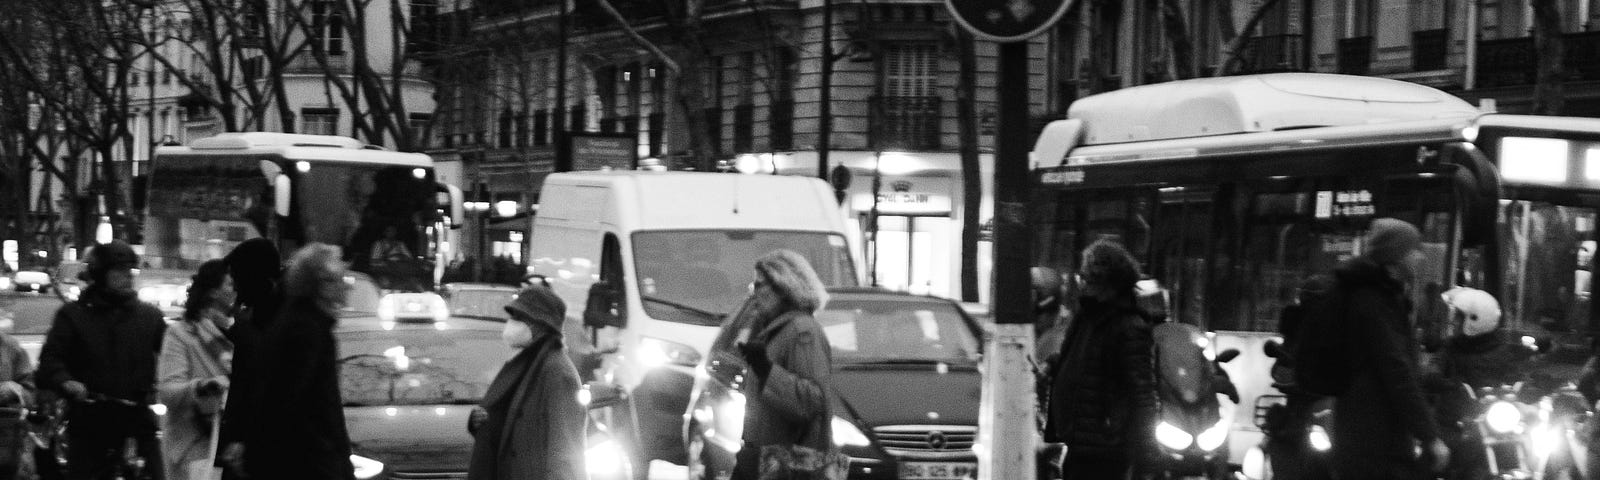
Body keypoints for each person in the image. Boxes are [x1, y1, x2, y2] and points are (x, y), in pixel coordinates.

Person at [1327, 218, 1448, 479]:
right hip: (1373, 442)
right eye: (1414, 250)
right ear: (1396, 256)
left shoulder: (1383, 297)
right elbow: (1397, 371)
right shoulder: (1373, 302)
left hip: (1369, 437)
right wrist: (1429, 436)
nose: (1420, 257)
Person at [37, 241, 168, 480]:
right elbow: (50, 360)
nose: (126, 277)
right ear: (100, 274)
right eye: (118, 271)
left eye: (130, 271)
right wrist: (66, 382)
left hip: (138, 418)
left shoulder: (150, 316)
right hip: (90, 419)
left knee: (158, 472)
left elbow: (171, 354)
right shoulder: (73, 316)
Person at [1043, 239, 1158, 480]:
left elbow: (1143, 394)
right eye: (1081, 278)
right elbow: (1077, 360)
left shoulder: (1129, 326)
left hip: (1106, 448)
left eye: (1087, 279)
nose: (1082, 285)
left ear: (1107, 284)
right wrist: (1052, 365)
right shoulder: (1086, 317)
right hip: (1079, 440)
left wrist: (1147, 454)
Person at [243, 244, 354, 480]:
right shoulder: (306, 330)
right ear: (321, 285)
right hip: (305, 464)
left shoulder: (302, 323)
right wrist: (330, 462)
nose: (346, 286)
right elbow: (289, 402)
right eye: (340, 278)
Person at [724, 249, 835, 480]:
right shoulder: (777, 330)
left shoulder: (802, 332)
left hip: (785, 466)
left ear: (783, 288)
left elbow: (811, 400)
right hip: (760, 458)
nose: (753, 295)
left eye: (759, 286)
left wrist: (766, 369)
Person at [466, 284, 586, 480]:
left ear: (540, 325)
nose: (511, 323)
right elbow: (515, 427)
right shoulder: (527, 365)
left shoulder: (557, 372)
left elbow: (565, 453)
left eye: (520, 318)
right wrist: (483, 421)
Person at [158, 260, 236, 480]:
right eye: (230, 284)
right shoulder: (182, 334)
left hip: (230, 447)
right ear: (212, 292)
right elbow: (168, 391)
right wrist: (201, 387)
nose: (235, 289)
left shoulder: (240, 332)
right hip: (194, 445)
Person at [216, 238, 283, 479]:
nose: (234, 288)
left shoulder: (271, 325)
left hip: (262, 448)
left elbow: (256, 387)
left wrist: (241, 438)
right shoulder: (262, 316)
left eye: (237, 278)